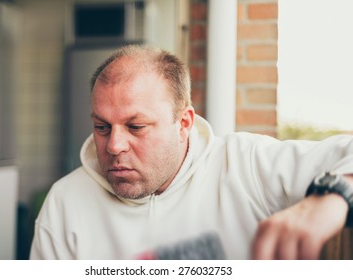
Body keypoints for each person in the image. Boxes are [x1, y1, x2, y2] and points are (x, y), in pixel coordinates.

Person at [30, 45, 353, 260]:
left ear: (183, 123)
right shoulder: (65, 202)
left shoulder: (246, 165)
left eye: (136, 126)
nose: (114, 146)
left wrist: (333, 195)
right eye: (102, 127)